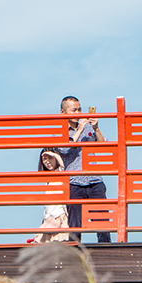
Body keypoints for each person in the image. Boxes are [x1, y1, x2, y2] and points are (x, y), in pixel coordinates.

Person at [54, 96, 112, 244]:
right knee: (75, 224)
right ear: (63, 112)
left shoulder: (87, 127)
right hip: (74, 182)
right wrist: (79, 130)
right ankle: (74, 253)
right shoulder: (59, 131)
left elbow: (103, 146)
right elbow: (64, 149)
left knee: (102, 220)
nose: (78, 112)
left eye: (79, 109)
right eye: (74, 110)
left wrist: (96, 128)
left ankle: (107, 250)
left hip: (95, 179)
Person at [28, 150, 69, 243]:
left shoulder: (60, 173)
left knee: (60, 244)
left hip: (60, 216)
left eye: (50, 158)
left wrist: (56, 155)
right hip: (49, 218)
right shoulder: (48, 180)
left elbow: (65, 167)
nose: (47, 161)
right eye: (44, 159)